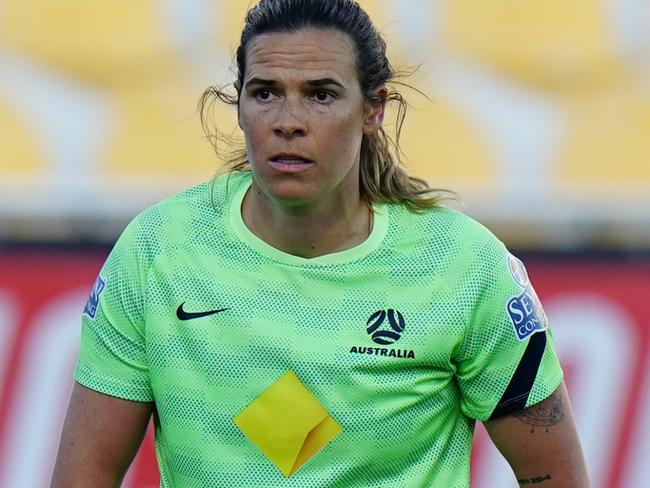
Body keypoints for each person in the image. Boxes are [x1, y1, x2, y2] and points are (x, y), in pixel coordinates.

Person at [52, 0, 590, 486]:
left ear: (373, 109)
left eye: (321, 96)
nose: (289, 122)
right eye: (265, 93)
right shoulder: (156, 252)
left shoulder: (464, 269)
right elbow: (87, 474)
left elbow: (555, 478)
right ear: (238, 105)